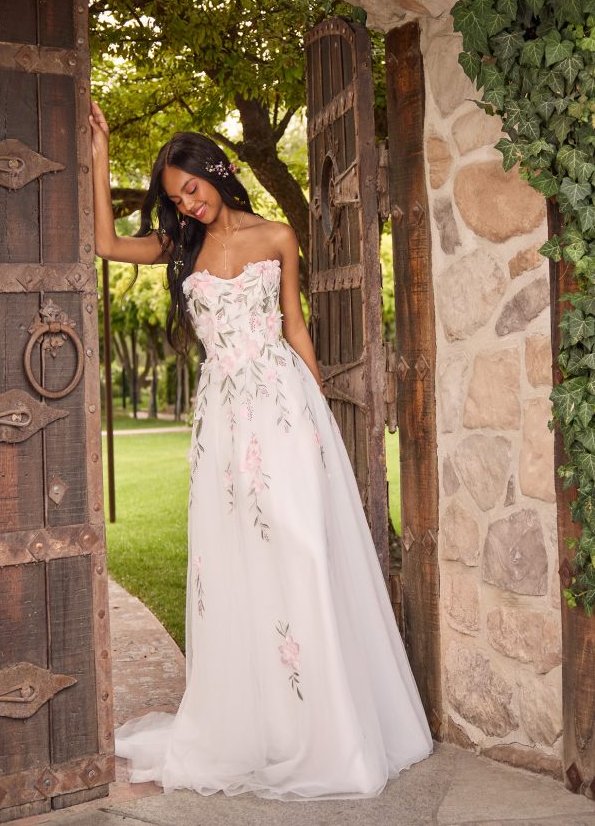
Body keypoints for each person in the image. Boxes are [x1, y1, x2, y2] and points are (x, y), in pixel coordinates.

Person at [89, 100, 433, 802]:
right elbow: (104, 243)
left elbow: (296, 329)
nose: (189, 201)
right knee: (239, 560)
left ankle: (330, 723)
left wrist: (319, 418)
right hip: (222, 421)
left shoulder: (278, 235)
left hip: (280, 407)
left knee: (303, 548)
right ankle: (258, 723)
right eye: (177, 194)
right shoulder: (179, 246)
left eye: (194, 186)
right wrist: (99, 152)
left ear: (217, 171)